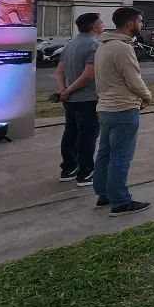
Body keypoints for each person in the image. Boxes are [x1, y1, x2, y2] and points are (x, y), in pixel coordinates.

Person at [92, 7, 153, 217]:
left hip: (106, 108)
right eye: (140, 21)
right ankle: (120, 201)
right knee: (121, 156)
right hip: (123, 108)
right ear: (130, 24)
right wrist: (147, 97)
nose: (142, 25)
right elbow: (133, 80)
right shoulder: (122, 48)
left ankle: (104, 193)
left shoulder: (104, 46)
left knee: (105, 153)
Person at [54, 12, 104, 186]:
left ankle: (68, 169)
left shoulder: (69, 45)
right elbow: (88, 76)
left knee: (70, 133)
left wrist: (63, 90)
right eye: (101, 22)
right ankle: (86, 172)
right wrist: (68, 90)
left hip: (70, 100)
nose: (103, 25)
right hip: (87, 99)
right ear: (94, 27)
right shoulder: (95, 46)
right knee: (87, 136)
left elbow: (59, 71)